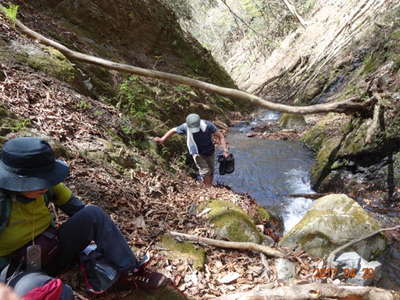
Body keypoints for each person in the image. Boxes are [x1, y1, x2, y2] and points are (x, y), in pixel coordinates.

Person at [0, 137, 169, 298]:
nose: (44, 186)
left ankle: (131, 271)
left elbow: (79, 211)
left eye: (47, 180)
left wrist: (103, 243)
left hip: (52, 247)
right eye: (37, 182)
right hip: (18, 270)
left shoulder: (49, 186)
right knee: (51, 293)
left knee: (93, 213)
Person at [154, 113, 229, 185]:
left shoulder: (208, 125)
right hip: (196, 152)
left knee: (211, 170)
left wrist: (225, 150)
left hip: (210, 150)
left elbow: (221, 136)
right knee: (205, 171)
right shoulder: (185, 126)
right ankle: (208, 188)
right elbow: (173, 130)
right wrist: (162, 139)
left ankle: (209, 185)